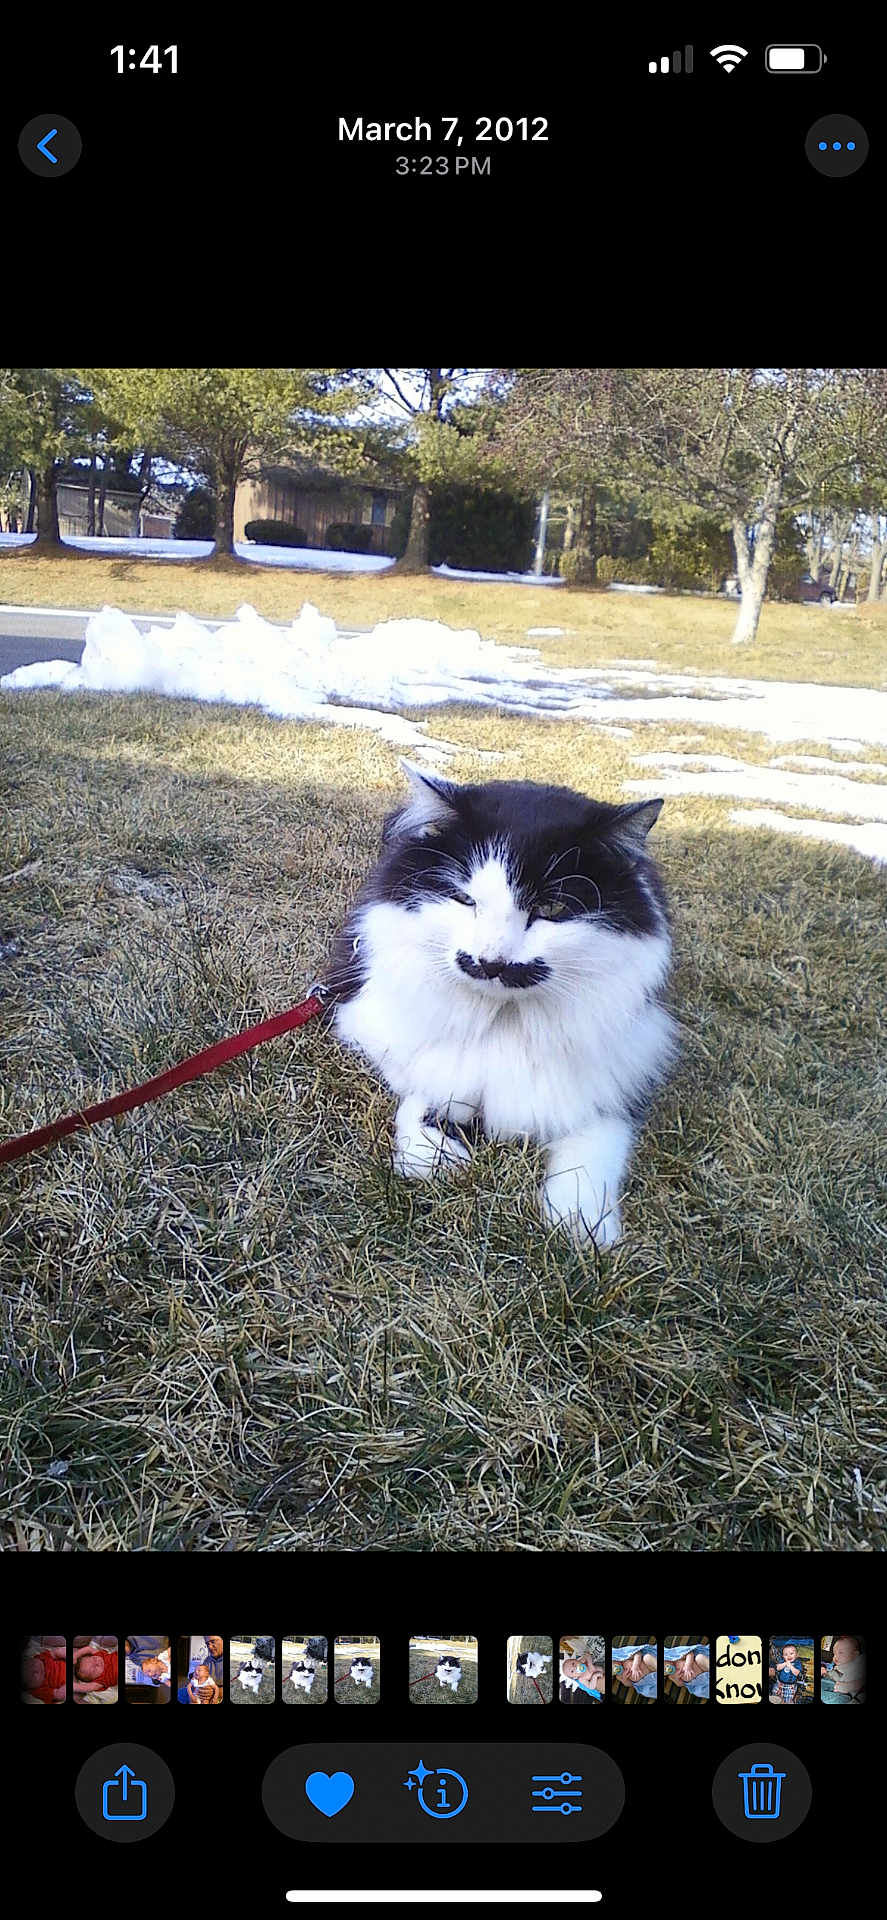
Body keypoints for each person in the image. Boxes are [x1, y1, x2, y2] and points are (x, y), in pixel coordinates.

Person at [177, 1635, 224, 1705]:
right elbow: (195, 1677)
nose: (209, 1647)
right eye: (207, 1644)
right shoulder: (207, 1660)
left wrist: (217, 1693)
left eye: (213, 1642)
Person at [821, 1635, 866, 1704]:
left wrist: (851, 1686)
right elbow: (834, 1675)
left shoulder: (859, 1662)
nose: (835, 1657)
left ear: (855, 1654)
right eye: (834, 1653)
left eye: (841, 1652)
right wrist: (825, 1673)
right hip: (833, 1684)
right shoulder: (838, 1665)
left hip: (844, 1695)